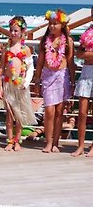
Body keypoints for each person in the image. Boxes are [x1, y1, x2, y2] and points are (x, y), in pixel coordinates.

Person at [33, 9, 75, 153]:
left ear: (62, 25)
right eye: (50, 24)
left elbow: (70, 63)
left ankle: (55, 142)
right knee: (49, 111)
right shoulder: (45, 40)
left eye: (55, 24)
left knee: (59, 112)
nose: (52, 26)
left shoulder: (68, 41)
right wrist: (37, 80)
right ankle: (48, 141)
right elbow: (39, 62)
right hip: (48, 77)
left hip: (62, 77)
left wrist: (73, 82)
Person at [0, 16, 37, 151]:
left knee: (19, 114)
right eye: (11, 30)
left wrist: (26, 83)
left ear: (22, 32)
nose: (13, 33)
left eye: (16, 31)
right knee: (9, 114)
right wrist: (0, 87)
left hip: (20, 85)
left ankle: (17, 140)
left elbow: (30, 68)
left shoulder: (25, 49)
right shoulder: (6, 48)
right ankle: (9, 140)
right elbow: (2, 69)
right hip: (8, 84)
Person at [71, 23, 93, 157]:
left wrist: (86, 55)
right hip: (86, 73)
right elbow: (79, 54)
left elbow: (83, 54)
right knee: (82, 113)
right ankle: (80, 146)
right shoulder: (88, 32)